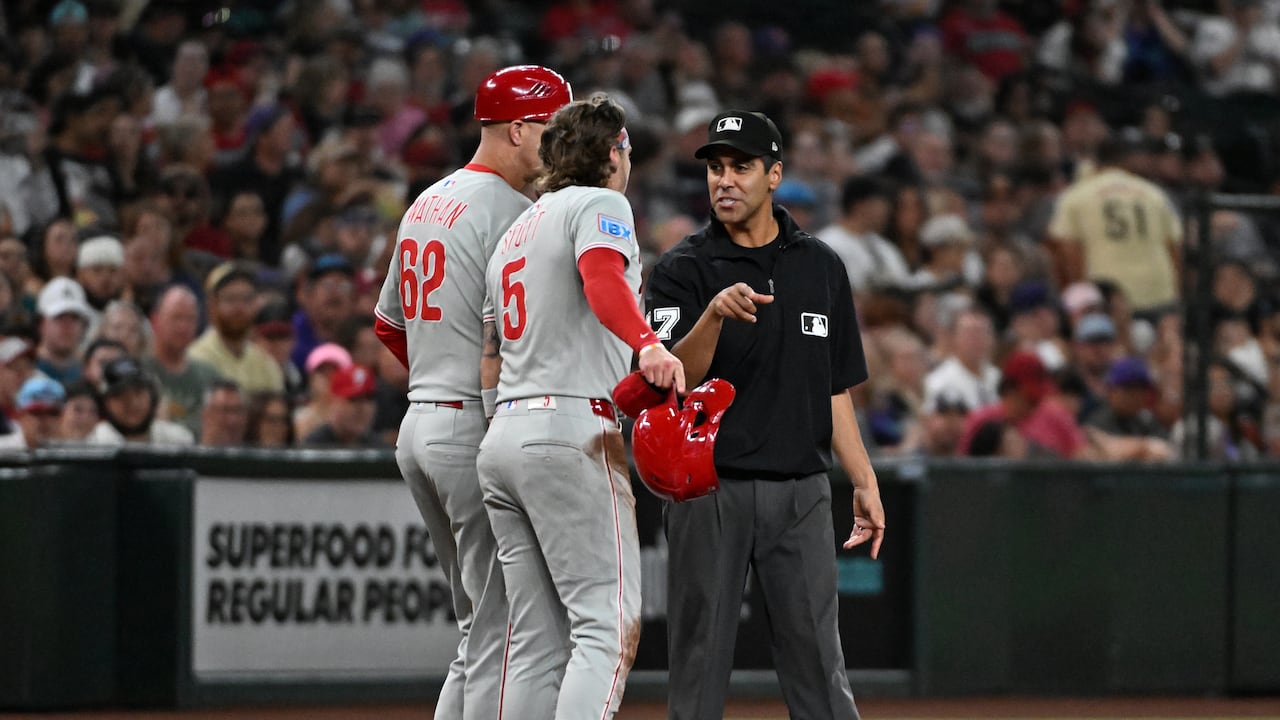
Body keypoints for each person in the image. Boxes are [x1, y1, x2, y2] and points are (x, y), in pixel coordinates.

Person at [644, 110, 884, 720]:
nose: (724, 180)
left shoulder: (821, 266)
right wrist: (712, 317)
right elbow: (670, 380)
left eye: (741, 167)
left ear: (774, 175)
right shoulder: (683, 268)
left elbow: (834, 388)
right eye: (716, 168)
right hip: (708, 489)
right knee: (698, 666)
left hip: (801, 490)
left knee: (819, 667)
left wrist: (864, 479)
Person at [371, 64, 571, 720]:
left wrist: (436, 376)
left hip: (421, 427)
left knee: (477, 632)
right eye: (553, 129)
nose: (562, 145)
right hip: (471, 427)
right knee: (508, 633)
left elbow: (388, 325)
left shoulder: (427, 200)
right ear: (518, 128)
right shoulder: (515, 211)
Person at [476, 92, 683, 720]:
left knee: (537, 641)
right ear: (614, 150)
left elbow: (491, 348)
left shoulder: (516, 229)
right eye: (626, 148)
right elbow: (600, 276)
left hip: (506, 432)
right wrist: (647, 343)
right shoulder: (601, 202)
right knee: (606, 625)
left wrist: (505, 424)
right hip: (569, 431)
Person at [1047, 134, 1182, 318]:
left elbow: (1067, 250)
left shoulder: (1076, 195)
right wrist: (1174, 291)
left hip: (1106, 293)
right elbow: (1174, 247)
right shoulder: (1154, 194)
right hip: (1157, 290)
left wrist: (1083, 295)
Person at [187, 262, 285, 394]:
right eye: (230, 299)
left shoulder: (266, 365)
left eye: (247, 299)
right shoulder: (195, 360)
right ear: (211, 306)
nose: (239, 308)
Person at [86, 356, 196, 446]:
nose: (133, 403)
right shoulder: (96, 443)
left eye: (138, 392)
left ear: (152, 395)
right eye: (120, 395)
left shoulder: (178, 440)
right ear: (106, 403)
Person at [300, 363, 383, 448]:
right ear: (334, 402)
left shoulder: (378, 447)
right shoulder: (314, 446)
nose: (362, 408)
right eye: (353, 399)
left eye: (369, 398)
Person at [0, 376, 66, 450]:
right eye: (36, 413)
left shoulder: (75, 450)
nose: (44, 420)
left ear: (63, 417)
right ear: (20, 416)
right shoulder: (3, 449)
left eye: (52, 413)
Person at [200, 379, 249, 446]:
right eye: (225, 410)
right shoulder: (185, 454)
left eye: (238, 411)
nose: (233, 420)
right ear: (206, 415)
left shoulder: (256, 454)